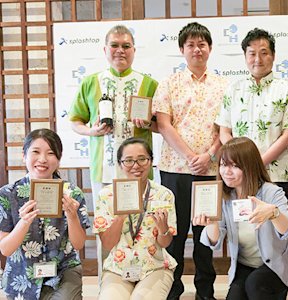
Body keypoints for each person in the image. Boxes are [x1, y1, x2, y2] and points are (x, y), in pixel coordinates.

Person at [152, 22, 227, 300]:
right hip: (174, 171)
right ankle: (172, 290)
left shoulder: (223, 85)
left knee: (205, 235)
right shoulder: (169, 84)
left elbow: (225, 128)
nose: (197, 49)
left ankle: (205, 291)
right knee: (174, 232)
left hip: (209, 171)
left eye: (202, 44)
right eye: (191, 45)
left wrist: (207, 155)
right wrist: (189, 156)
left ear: (210, 48)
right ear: (182, 49)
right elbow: (163, 124)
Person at [193, 137, 288, 300]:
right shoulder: (224, 197)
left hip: (276, 265)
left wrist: (274, 213)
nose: (227, 172)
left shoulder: (271, 192)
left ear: (250, 167)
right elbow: (214, 242)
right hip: (244, 265)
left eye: (235, 166)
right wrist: (212, 222)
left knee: (255, 285)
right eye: (223, 165)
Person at [69, 24, 158, 204]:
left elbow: (161, 126)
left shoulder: (149, 84)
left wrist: (147, 123)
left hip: (138, 167)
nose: (120, 51)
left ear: (134, 50)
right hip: (103, 168)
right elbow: (75, 121)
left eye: (126, 46)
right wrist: (92, 131)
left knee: (142, 225)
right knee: (105, 224)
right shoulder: (90, 82)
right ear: (105, 49)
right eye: (114, 45)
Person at [216, 28, 288, 198]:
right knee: (241, 222)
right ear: (245, 57)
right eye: (252, 54)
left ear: (273, 55)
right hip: (238, 175)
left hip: (275, 174)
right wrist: (240, 163)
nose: (258, 59)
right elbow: (224, 131)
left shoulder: (286, 90)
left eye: (264, 53)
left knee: (273, 220)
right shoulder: (233, 90)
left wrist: (256, 164)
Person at [0, 128, 90, 299]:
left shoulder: (73, 193)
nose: (42, 159)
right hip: (22, 275)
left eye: (50, 153)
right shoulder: (7, 194)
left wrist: (71, 216)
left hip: (63, 271)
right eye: (35, 152)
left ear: (59, 159)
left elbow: (78, 244)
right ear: (24, 155)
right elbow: (5, 249)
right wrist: (24, 222)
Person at [93, 137, 177, 300]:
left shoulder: (163, 194)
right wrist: (120, 216)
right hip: (117, 268)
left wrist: (163, 228)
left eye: (142, 159)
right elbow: (108, 244)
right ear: (120, 164)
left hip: (155, 266)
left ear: (151, 161)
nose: (136, 166)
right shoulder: (106, 196)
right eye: (129, 161)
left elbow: (165, 243)